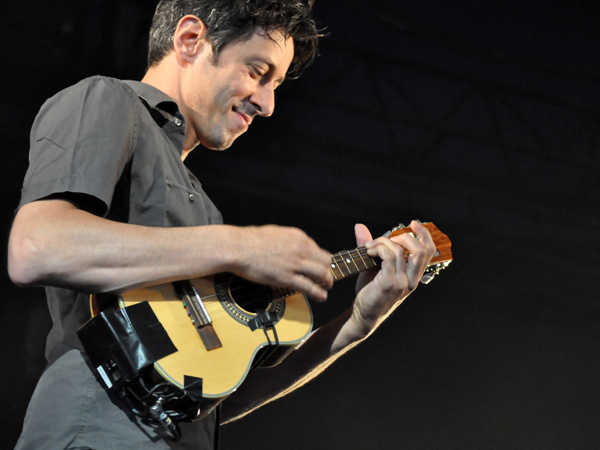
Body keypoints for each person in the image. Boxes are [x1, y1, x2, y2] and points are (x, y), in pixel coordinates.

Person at [8, 0, 436, 448]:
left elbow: (212, 401)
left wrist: (355, 323)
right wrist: (239, 247)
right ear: (191, 40)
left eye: (276, 84)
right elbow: (36, 246)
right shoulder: (109, 100)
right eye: (257, 71)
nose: (268, 104)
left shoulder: (203, 209)